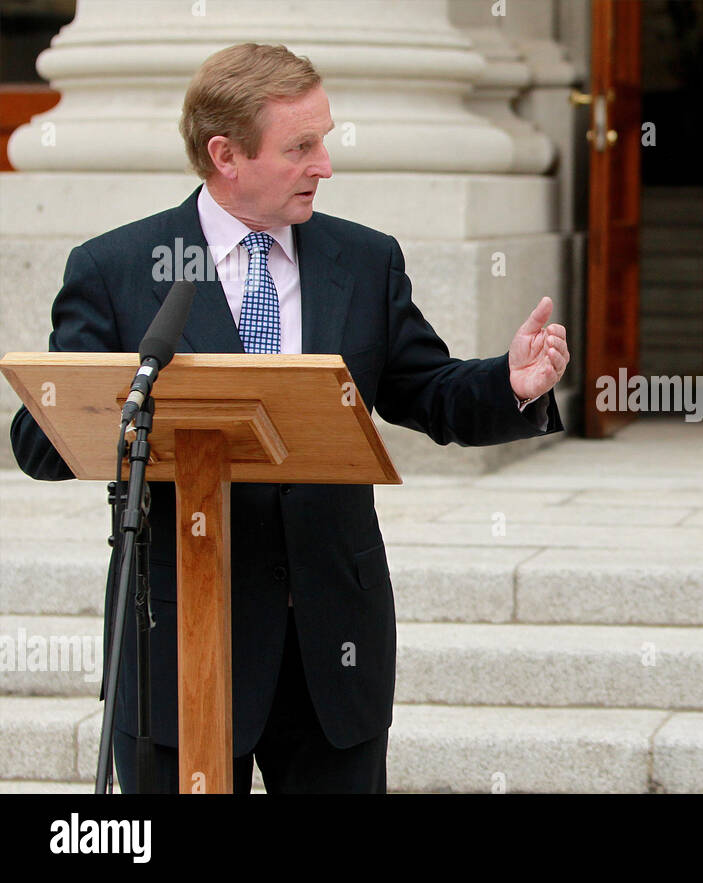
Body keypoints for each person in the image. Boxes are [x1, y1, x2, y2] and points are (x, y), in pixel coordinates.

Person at [9, 43, 570, 793]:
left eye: (324, 139)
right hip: (180, 646)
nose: (325, 165)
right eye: (301, 146)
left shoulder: (364, 261)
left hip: (332, 644)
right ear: (226, 155)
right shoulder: (118, 268)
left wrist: (513, 382)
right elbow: (41, 441)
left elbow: (426, 390)